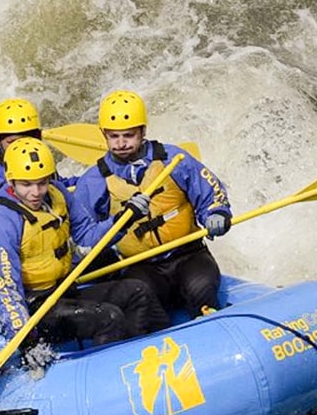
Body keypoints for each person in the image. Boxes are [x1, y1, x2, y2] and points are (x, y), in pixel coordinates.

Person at [0, 138, 168, 365]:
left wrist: (124, 219)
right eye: (26, 185)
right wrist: (26, 339)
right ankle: (108, 377)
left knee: (137, 291)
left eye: (42, 183)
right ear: (11, 180)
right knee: (109, 317)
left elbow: (88, 235)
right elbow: (4, 289)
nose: (36, 192)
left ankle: (160, 351)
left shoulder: (56, 192)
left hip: (64, 292)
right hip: (35, 308)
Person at [70, 90, 232, 318]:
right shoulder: (94, 180)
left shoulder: (173, 159)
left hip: (188, 253)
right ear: (103, 134)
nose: (122, 143)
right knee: (143, 301)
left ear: (143, 131)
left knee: (202, 289)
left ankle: (207, 315)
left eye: (129, 135)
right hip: (141, 265)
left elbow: (210, 192)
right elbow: (84, 231)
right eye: (114, 137)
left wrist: (217, 213)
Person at [0, 97, 77, 209]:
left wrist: (91, 177)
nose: (21, 147)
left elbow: (58, 186)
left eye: (25, 140)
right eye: (12, 142)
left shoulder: (34, 157)